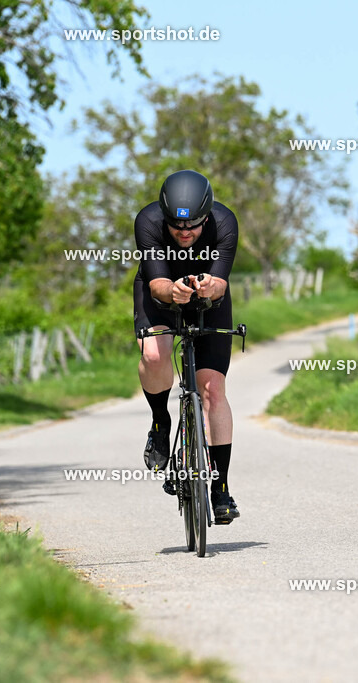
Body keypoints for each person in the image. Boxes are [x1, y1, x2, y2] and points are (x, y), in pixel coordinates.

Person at [132, 169, 240, 523]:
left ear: (207, 216)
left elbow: (222, 283)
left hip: (210, 299)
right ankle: (161, 423)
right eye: (176, 227)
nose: (184, 233)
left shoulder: (225, 222)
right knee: (154, 353)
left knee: (213, 389)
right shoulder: (147, 221)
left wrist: (211, 286)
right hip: (160, 296)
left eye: (193, 226)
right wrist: (173, 291)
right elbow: (158, 283)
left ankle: (220, 487)